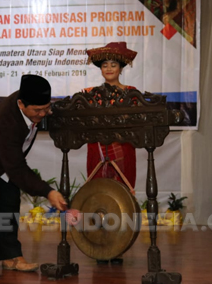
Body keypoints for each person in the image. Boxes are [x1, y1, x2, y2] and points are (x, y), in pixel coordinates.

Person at [0, 74, 68, 278]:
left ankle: (11, 256)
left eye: (46, 108)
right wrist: (48, 192)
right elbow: (17, 167)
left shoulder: (34, 107)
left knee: (9, 202)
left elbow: (14, 163)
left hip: (4, 157)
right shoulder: (6, 121)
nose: (43, 114)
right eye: (38, 110)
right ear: (21, 104)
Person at [84, 42, 138, 264]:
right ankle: (100, 244)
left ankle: (118, 246)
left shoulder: (132, 93)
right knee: (99, 197)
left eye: (113, 64)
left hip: (123, 150)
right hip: (97, 150)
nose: (108, 68)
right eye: (104, 64)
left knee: (120, 197)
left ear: (121, 68)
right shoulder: (89, 94)